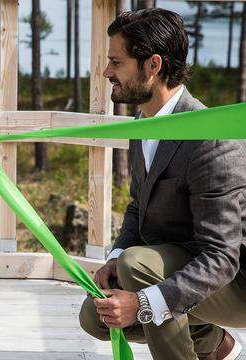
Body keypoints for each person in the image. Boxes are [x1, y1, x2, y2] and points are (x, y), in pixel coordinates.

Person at [78, 9, 246, 360]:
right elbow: (138, 205)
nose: (107, 72)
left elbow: (222, 256)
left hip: (234, 284)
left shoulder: (210, 140)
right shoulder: (145, 124)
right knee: (96, 316)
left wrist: (140, 302)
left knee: (138, 267)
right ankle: (214, 344)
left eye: (116, 62)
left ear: (152, 66)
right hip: (178, 265)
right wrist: (115, 256)